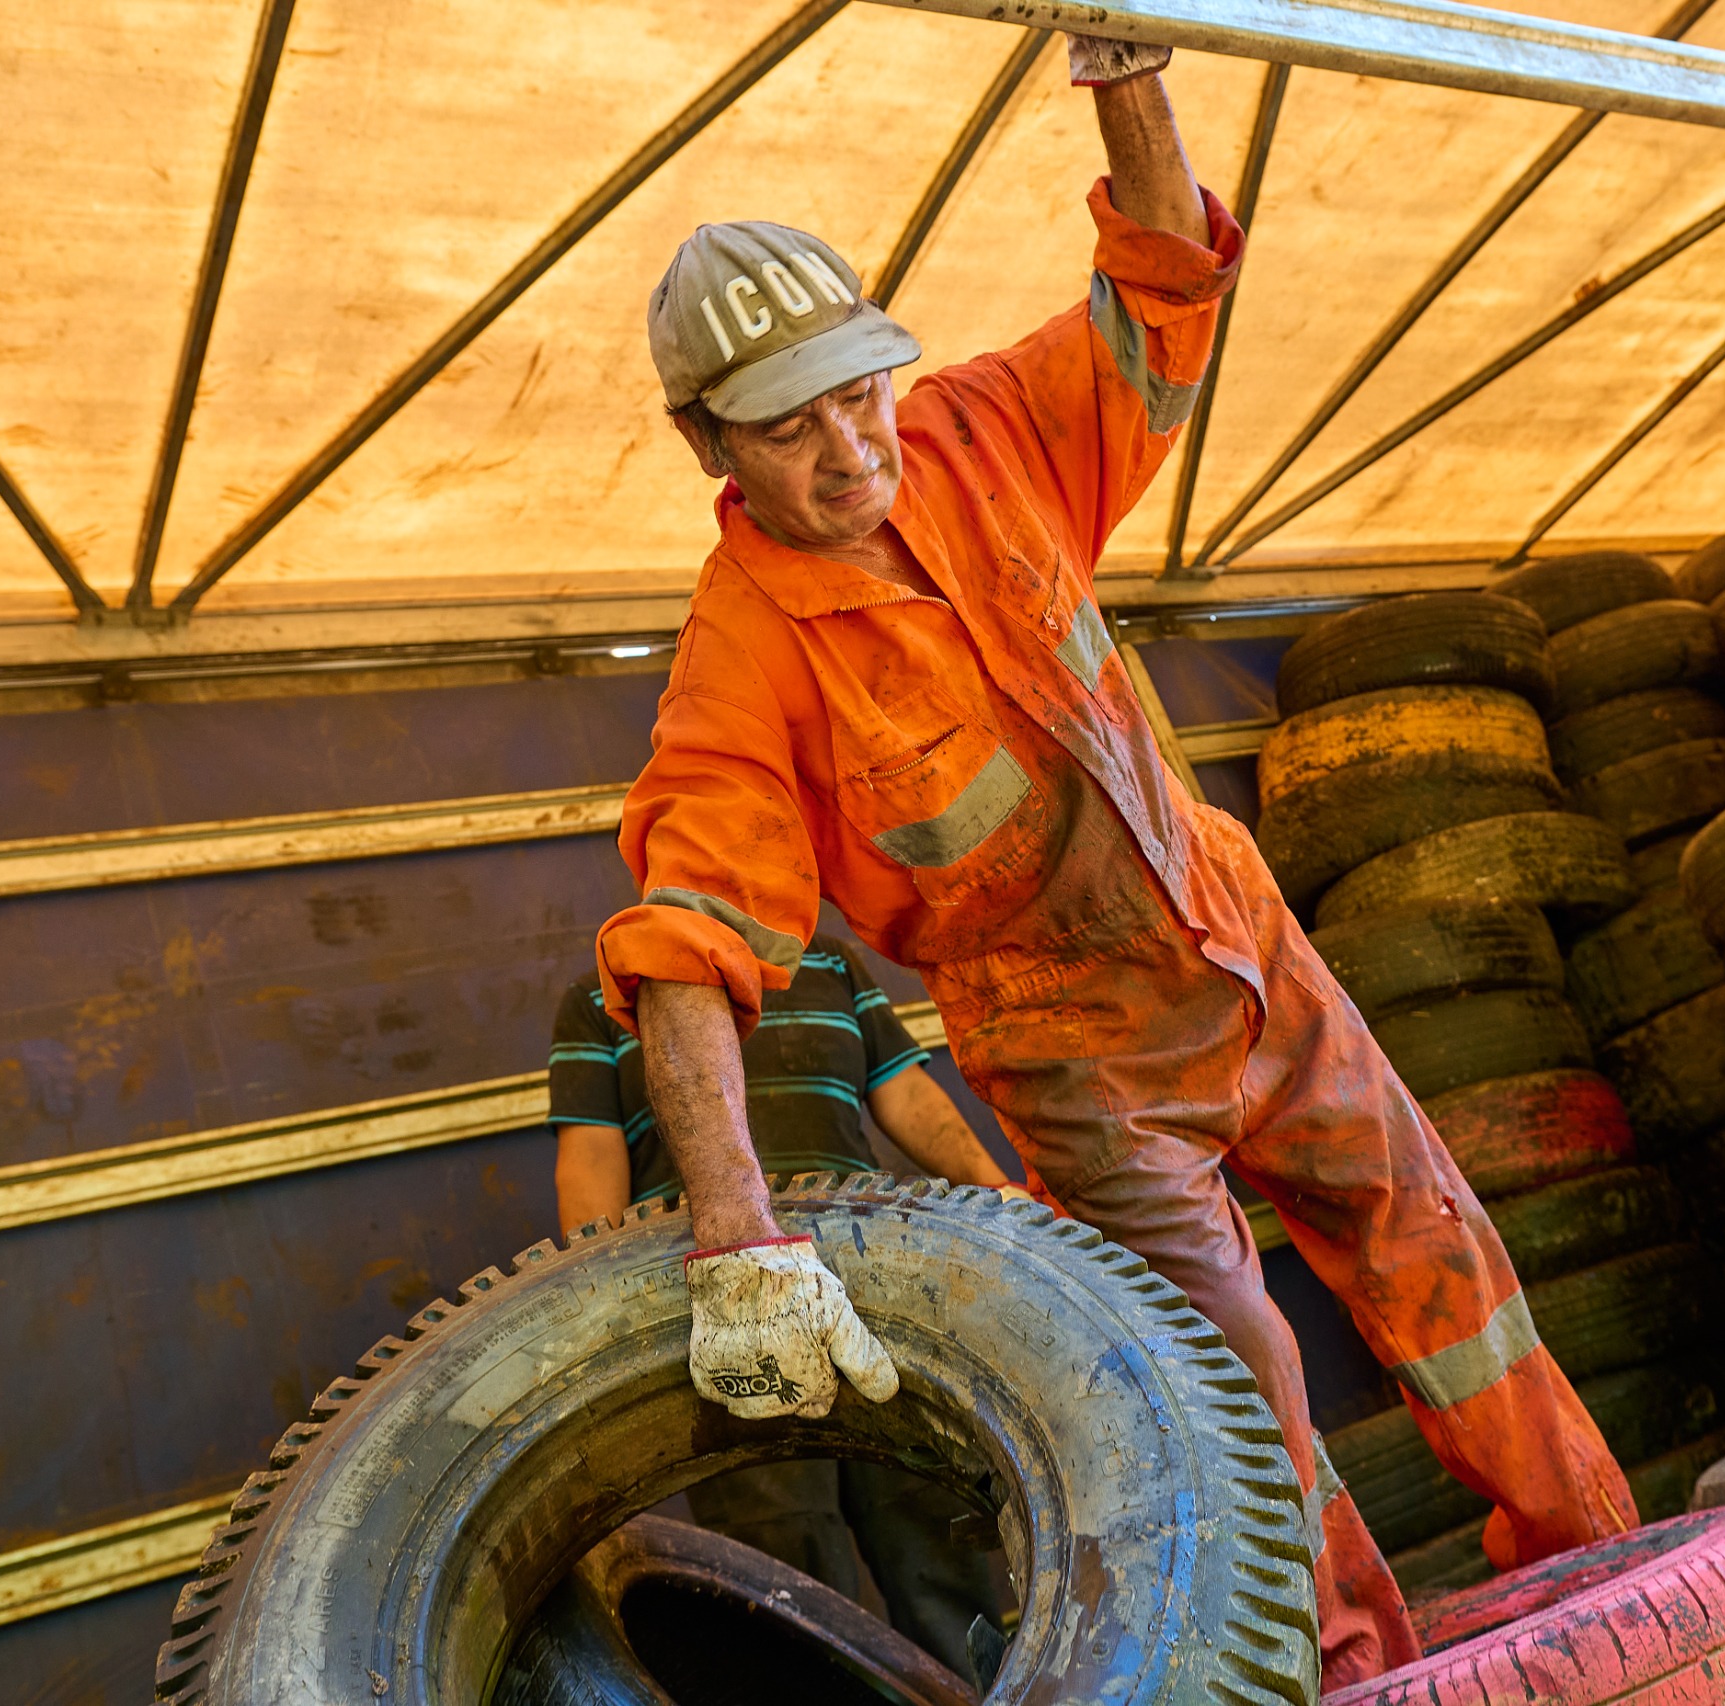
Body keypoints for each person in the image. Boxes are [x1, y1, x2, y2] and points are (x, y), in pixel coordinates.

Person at [596, 31, 1637, 1689]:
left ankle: (1612, 1578)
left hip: (1243, 943)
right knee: (1242, 1391)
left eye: (860, 385)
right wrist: (736, 1232)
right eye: (788, 428)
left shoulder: (980, 431)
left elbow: (1160, 279)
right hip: (1081, 1061)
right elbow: (684, 945)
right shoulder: (746, 663)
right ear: (707, 447)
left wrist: (1127, 61)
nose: (851, 445)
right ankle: (1361, 1674)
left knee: (1447, 1264)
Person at [549, 936, 1014, 1677]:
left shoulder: (829, 965)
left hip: (873, 1290)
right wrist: (591, 1295)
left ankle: (975, 1690)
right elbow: (591, 1157)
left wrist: (995, 1188)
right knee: (784, 1559)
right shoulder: (611, 994)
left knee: (927, 1531)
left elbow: (907, 1094)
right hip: (728, 1308)